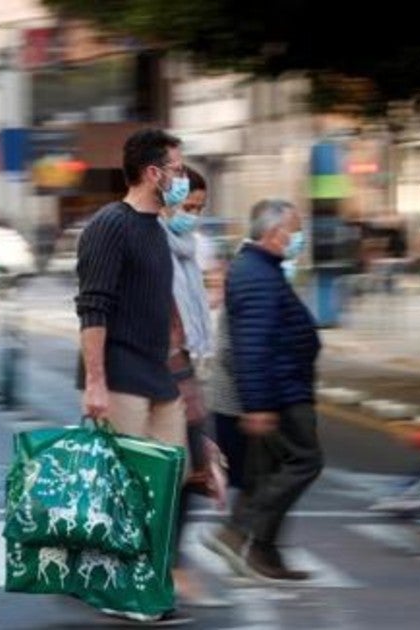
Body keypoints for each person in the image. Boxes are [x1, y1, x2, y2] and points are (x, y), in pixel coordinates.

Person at [75, 128, 191, 624]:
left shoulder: (158, 228)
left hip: (159, 377)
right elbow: (92, 308)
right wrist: (95, 381)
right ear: (153, 173)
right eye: (178, 170)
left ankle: (137, 579)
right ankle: (125, 587)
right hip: (121, 375)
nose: (182, 179)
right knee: (129, 488)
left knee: (171, 480)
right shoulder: (109, 226)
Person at [203, 199, 323, 582]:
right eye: (295, 230)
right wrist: (258, 405)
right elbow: (252, 345)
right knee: (304, 461)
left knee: (267, 471)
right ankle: (238, 530)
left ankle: (262, 553)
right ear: (275, 234)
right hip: (280, 392)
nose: (298, 238)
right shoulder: (255, 274)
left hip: (283, 387)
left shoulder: (262, 269)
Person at [161, 166, 228, 607]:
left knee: (192, 468)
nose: (194, 216)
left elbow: (211, 290)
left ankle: (169, 562)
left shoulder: (191, 247)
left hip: (183, 368)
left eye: (200, 209)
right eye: (188, 207)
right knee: (185, 468)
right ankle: (170, 565)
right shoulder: (153, 244)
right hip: (160, 371)